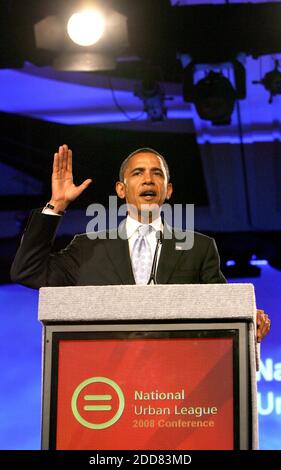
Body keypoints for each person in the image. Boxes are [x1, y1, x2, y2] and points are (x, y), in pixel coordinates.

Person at [10, 144, 270, 341]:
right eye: (137, 173)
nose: (148, 179)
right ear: (121, 190)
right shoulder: (87, 248)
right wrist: (57, 204)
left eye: (157, 173)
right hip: (107, 384)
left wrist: (248, 318)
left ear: (168, 190)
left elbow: (221, 309)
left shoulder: (198, 248)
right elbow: (28, 271)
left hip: (175, 386)